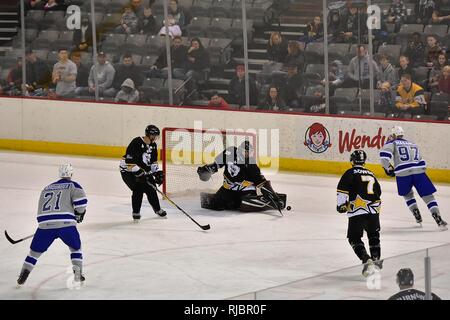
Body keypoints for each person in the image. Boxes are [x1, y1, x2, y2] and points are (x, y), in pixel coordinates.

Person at [16, 164, 87, 286]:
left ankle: (23, 274)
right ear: (71, 174)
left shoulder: (47, 188)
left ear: (59, 174)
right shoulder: (74, 186)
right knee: (75, 248)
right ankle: (77, 274)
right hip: (66, 225)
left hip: (45, 225)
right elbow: (81, 205)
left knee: (34, 253)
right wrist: (79, 214)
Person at [380, 126, 448, 230]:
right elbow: (422, 161)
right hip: (419, 172)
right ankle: (437, 217)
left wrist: (388, 169)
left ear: (393, 135)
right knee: (428, 197)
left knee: (408, 195)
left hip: (403, 174)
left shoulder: (392, 143)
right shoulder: (412, 144)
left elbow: (384, 157)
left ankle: (415, 212)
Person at [197, 141, 286, 212]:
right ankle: (233, 202)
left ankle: (264, 201)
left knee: (242, 204)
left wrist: (272, 195)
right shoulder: (230, 152)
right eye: (245, 152)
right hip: (228, 188)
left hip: (245, 191)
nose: (247, 154)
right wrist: (207, 170)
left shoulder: (250, 164)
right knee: (213, 204)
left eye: (249, 152)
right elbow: (217, 164)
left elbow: (260, 181)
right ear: (240, 150)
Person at [336, 150, 382, 277]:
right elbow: (378, 191)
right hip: (373, 210)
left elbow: (342, 191)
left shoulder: (350, 173)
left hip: (357, 210)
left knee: (354, 238)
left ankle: (366, 260)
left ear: (352, 160)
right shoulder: (371, 173)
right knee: (374, 235)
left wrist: (341, 206)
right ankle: (376, 260)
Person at [119, 125, 166, 221]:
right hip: (128, 170)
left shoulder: (153, 145)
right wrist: (139, 174)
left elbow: (153, 162)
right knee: (138, 189)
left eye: (157, 136)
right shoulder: (136, 142)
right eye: (154, 136)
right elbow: (130, 163)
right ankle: (136, 212)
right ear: (149, 135)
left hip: (142, 169)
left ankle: (157, 209)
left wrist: (156, 172)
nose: (156, 138)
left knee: (152, 188)